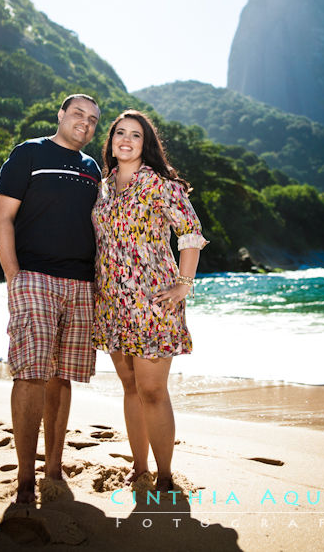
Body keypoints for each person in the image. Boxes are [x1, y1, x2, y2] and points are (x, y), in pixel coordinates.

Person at [0, 93, 101, 504]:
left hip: (82, 283)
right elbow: (2, 215)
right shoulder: (29, 153)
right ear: (61, 114)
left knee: (62, 375)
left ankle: (53, 470)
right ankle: (23, 478)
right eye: (78, 114)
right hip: (34, 276)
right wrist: (13, 275)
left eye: (92, 119)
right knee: (32, 372)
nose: (85, 123)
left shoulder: (92, 169)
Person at [92, 109, 207, 492]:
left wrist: (183, 284)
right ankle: (138, 469)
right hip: (110, 301)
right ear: (110, 142)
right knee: (129, 386)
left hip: (153, 302)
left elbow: (190, 233)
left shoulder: (160, 184)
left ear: (146, 144)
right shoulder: (103, 187)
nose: (126, 140)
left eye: (135, 135)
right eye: (119, 133)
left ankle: (165, 476)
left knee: (153, 391)